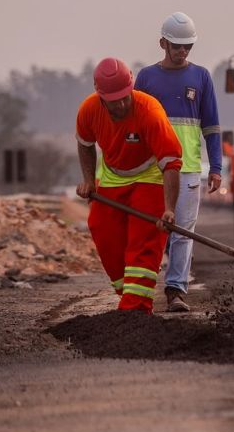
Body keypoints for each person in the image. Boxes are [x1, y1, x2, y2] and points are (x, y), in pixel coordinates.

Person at [74, 57, 183, 314]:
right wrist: (89, 180)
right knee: (100, 226)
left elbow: (171, 164)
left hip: (149, 175)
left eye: (125, 96)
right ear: (100, 96)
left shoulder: (150, 112)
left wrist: (168, 208)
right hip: (113, 174)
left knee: (143, 238)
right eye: (114, 100)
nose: (122, 104)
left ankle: (136, 308)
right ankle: (130, 292)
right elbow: (84, 144)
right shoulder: (88, 110)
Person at [134, 11, 222, 313]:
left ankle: (175, 290)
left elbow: (211, 127)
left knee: (183, 230)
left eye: (187, 46)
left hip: (187, 169)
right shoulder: (146, 78)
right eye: (176, 45)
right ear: (163, 43)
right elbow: (134, 126)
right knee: (153, 230)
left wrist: (217, 168)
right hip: (152, 169)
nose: (182, 51)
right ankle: (140, 290)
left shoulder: (201, 77)